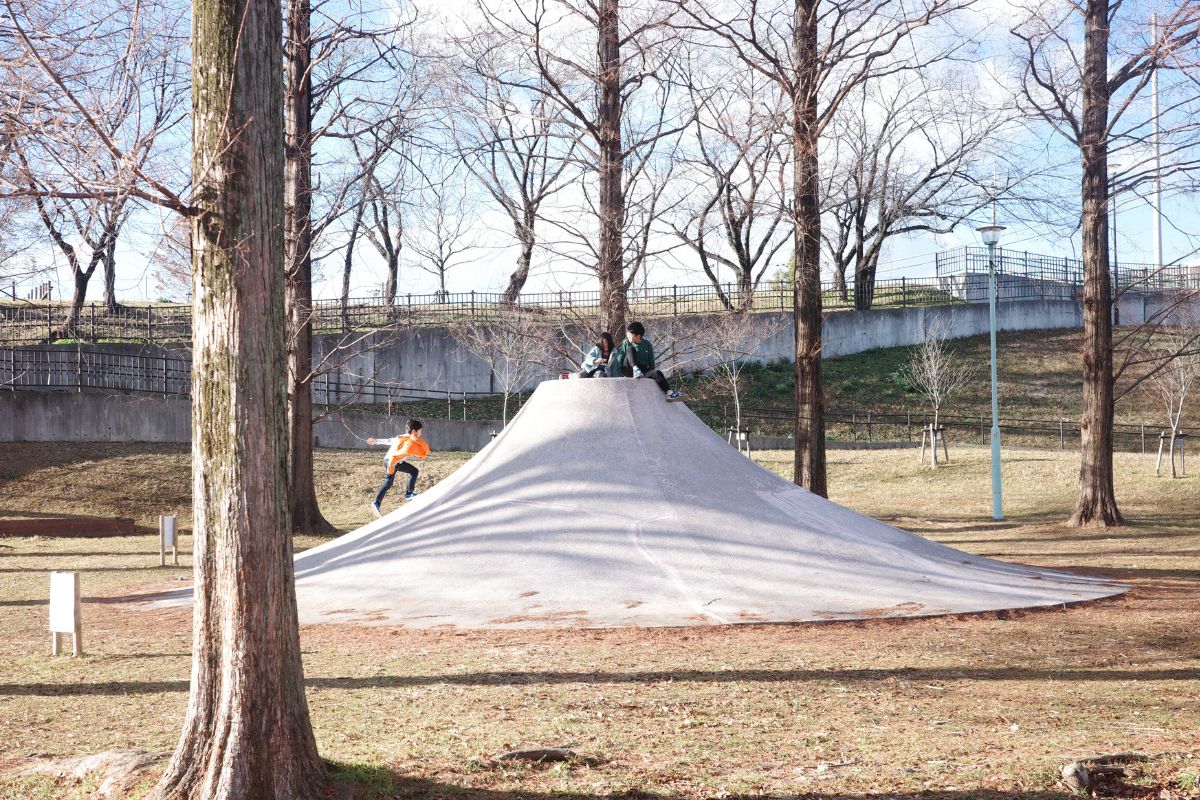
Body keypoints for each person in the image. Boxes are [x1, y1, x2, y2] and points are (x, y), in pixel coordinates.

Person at [367, 419, 430, 517]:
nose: (421, 433)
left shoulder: (401, 437)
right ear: (414, 431)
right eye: (420, 431)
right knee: (389, 482)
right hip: (392, 462)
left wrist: (376, 441)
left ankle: (409, 493)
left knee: (414, 471)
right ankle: (376, 502)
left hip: (391, 461)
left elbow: (389, 441)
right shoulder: (409, 440)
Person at [611, 321, 681, 399]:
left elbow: (651, 361)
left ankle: (669, 392)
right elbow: (620, 358)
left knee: (658, 373)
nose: (628, 336)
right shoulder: (626, 343)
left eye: (630, 335)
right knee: (630, 349)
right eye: (628, 334)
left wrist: (651, 373)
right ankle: (635, 369)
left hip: (642, 370)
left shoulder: (647, 344)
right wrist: (619, 375)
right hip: (628, 368)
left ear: (638, 336)